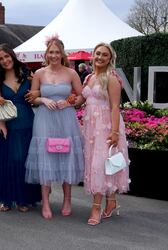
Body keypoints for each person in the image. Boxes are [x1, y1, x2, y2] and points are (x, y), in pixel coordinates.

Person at [25, 36, 85, 219]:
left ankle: (67, 200)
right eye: (51, 52)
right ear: (46, 53)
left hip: (66, 119)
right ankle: (46, 203)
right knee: (46, 157)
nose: (54, 55)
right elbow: (32, 97)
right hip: (45, 119)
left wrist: (69, 104)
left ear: (62, 54)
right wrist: (43, 99)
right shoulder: (39, 74)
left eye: (57, 52)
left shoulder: (71, 73)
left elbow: (82, 96)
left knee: (66, 156)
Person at [82, 42, 130, 226]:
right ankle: (111, 202)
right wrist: (71, 100)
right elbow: (84, 99)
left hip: (106, 127)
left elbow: (116, 106)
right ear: (92, 55)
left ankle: (96, 208)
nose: (100, 57)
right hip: (91, 129)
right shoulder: (89, 78)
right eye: (98, 53)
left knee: (100, 165)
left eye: (105, 55)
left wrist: (115, 132)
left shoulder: (111, 78)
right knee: (102, 165)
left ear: (110, 59)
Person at [0, 44, 41, 212]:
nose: (5, 61)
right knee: (7, 160)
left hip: (27, 122)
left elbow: (37, 95)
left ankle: (23, 198)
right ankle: (7, 197)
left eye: (7, 56)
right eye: (1, 59)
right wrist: (1, 121)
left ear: (12, 56)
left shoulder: (27, 74)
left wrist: (38, 93)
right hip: (7, 124)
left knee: (25, 160)